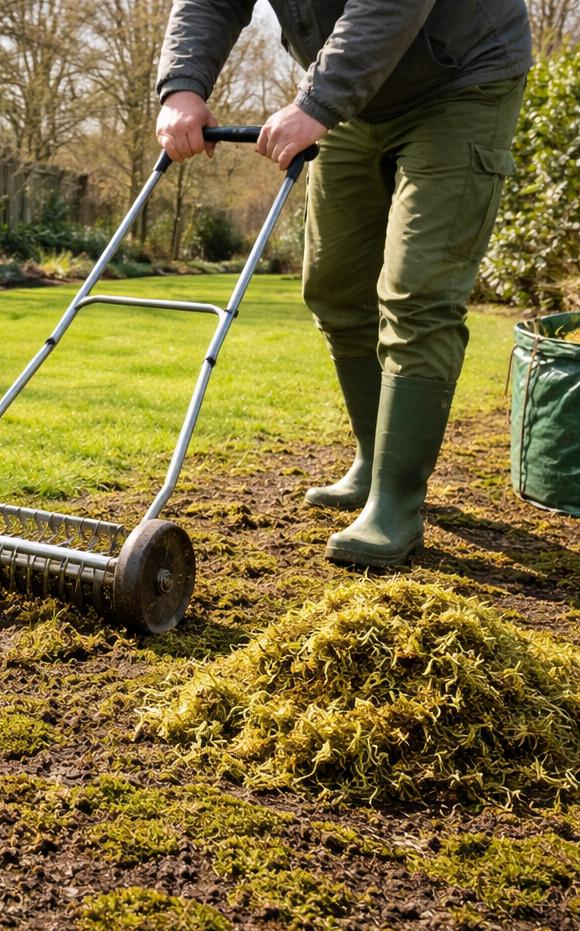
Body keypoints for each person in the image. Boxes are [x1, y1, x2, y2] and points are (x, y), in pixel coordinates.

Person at [156, 1, 531, 566]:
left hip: (459, 79)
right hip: (355, 93)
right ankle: (370, 460)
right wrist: (182, 86)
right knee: (334, 285)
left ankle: (395, 503)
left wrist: (316, 102)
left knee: (418, 293)